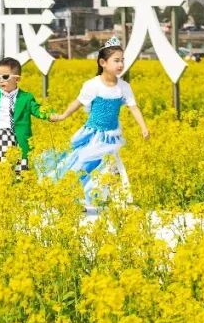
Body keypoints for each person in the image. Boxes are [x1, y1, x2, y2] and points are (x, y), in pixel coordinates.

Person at [43, 37, 150, 208]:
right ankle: (74, 197)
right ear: (103, 62)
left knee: (112, 166)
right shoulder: (93, 85)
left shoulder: (124, 87)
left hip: (112, 136)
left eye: (122, 60)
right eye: (116, 60)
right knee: (83, 162)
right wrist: (63, 116)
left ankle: (119, 200)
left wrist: (143, 127)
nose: (121, 64)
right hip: (93, 134)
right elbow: (78, 103)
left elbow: (133, 107)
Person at [0, 57, 53, 172]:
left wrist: (50, 115)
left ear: (17, 79)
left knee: (21, 171)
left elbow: (37, 109)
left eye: (5, 77)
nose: (0, 81)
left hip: (20, 139)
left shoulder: (26, 97)